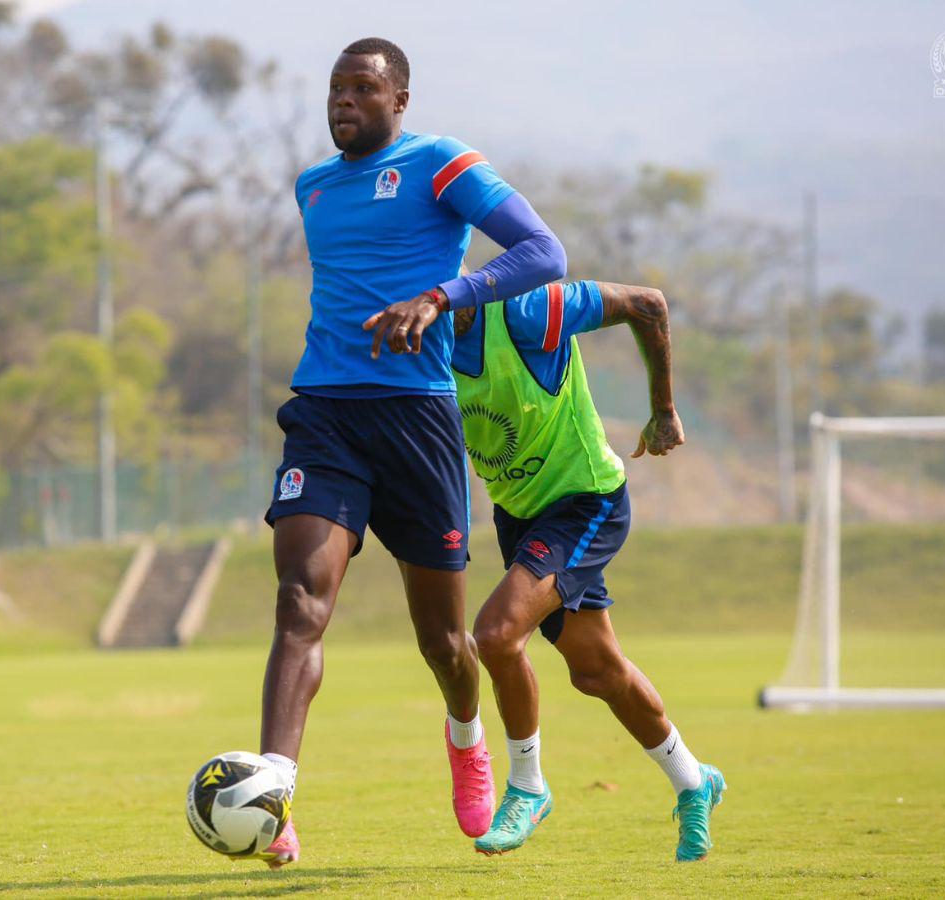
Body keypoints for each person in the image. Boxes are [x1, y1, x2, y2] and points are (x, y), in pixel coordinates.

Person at [257, 37, 567, 868]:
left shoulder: (441, 163)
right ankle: (272, 794)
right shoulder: (312, 186)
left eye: (363, 88)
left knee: (445, 644)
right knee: (301, 600)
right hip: (324, 415)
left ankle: (466, 738)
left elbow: (543, 253)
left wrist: (442, 297)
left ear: (400, 100)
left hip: (418, 422)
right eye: (335, 88)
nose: (344, 101)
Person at [450, 278, 725, 861]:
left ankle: (528, 786)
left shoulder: (527, 313)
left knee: (497, 635)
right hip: (519, 516)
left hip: (585, 503)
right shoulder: (420, 350)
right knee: (596, 671)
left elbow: (648, 304)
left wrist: (663, 410)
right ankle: (693, 780)